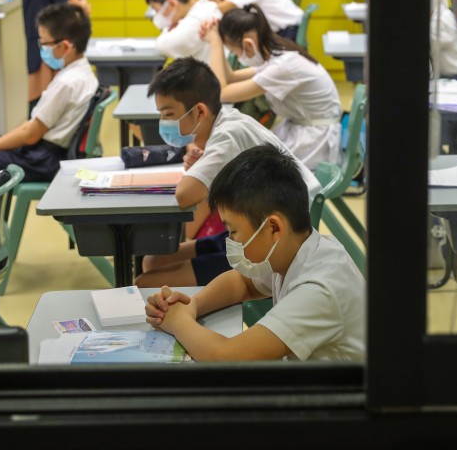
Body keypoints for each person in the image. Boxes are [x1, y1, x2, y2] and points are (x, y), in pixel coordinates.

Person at [145, 144, 365, 361]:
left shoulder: (320, 289)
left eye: (233, 231)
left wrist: (178, 322)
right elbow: (242, 283)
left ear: (274, 228)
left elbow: (228, 357)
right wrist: (192, 305)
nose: (230, 241)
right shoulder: (293, 252)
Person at [135, 58, 321, 289]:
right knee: (152, 261)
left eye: (169, 115)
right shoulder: (230, 121)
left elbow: (185, 195)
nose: (163, 123)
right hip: (256, 231)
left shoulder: (227, 135)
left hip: (271, 248)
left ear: (200, 111)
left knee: (145, 283)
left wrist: (197, 174)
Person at [0, 4, 97, 182]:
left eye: (44, 42)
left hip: (44, 161)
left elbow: (30, 134)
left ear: (65, 47)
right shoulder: (85, 72)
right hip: (53, 154)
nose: (41, 47)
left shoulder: (66, 83)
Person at [202, 6, 341, 170]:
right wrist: (218, 40)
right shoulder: (276, 54)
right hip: (304, 130)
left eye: (235, 52)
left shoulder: (284, 67)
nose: (239, 57)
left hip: (314, 140)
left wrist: (215, 44)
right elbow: (231, 77)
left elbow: (222, 93)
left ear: (248, 44)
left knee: (247, 169)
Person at [204, 0, 304, 42]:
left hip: (287, 32)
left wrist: (213, 1)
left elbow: (219, 9)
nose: (225, 0)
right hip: (291, 26)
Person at [145, 0, 222, 63]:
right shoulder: (201, 9)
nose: (158, 15)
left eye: (157, 10)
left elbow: (162, 45)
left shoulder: (199, 18)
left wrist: (168, 31)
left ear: (172, 4)